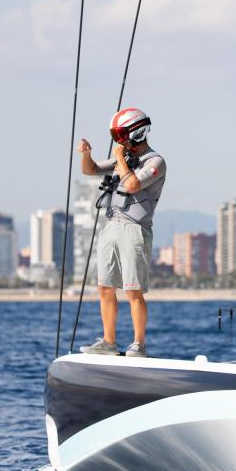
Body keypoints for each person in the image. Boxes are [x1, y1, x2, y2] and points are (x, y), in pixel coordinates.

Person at [78, 107, 166, 357]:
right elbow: (90, 170)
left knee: (132, 289)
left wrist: (119, 159)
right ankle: (109, 340)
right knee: (105, 286)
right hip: (111, 225)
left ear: (136, 133)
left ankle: (139, 343)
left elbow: (133, 184)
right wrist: (87, 154)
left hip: (134, 229)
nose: (119, 142)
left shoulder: (155, 161)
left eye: (121, 136)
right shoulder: (123, 158)